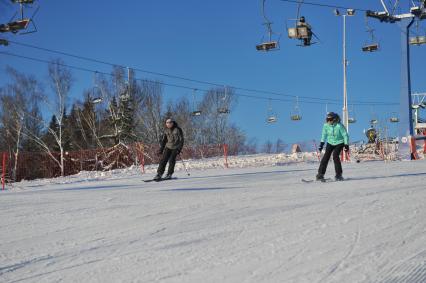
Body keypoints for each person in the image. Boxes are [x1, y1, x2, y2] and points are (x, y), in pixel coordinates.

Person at [316, 112, 349, 181]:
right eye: (327, 119)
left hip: (339, 142)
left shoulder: (339, 126)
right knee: (326, 157)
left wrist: (346, 145)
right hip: (330, 142)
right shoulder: (326, 126)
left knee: (335, 156)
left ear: (334, 119)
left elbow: (345, 135)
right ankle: (320, 174)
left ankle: (338, 175)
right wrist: (321, 144)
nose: (328, 121)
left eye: (330, 119)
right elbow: (324, 135)